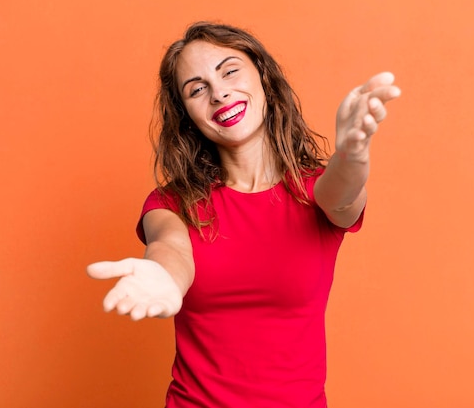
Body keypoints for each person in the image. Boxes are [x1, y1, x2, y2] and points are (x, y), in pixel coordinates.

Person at [87, 21, 400, 407]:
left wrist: (352, 155)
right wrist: (163, 276)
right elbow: (171, 248)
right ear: (187, 115)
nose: (218, 93)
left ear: (264, 78)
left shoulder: (315, 190)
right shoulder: (172, 203)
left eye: (229, 70)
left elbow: (341, 195)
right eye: (197, 89)